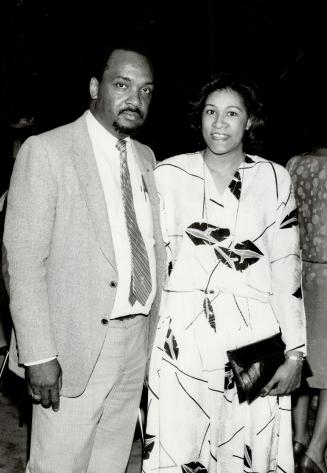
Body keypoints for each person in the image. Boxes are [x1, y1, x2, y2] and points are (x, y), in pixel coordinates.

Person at [3, 40, 165, 473]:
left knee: (110, 463)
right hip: (73, 347)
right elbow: (22, 262)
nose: (135, 99)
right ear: (96, 87)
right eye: (123, 84)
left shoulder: (147, 158)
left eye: (146, 90)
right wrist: (38, 354)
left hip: (135, 343)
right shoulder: (48, 151)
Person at [142, 72, 306, 473]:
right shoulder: (168, 174)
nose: (220, 123)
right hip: (182, 335)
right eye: (211, 112)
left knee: (246, 447)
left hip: (255, 337)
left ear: (250, 121)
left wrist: (296, 354)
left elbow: (287, 268)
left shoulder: (274, 178)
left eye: (232, 113)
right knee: (181, 447)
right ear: (199, 118)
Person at [287, 147, 327, 473]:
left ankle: (298, 438)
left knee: (305, 364)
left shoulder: (295, 163)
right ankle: (315, 452)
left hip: (300, 273)